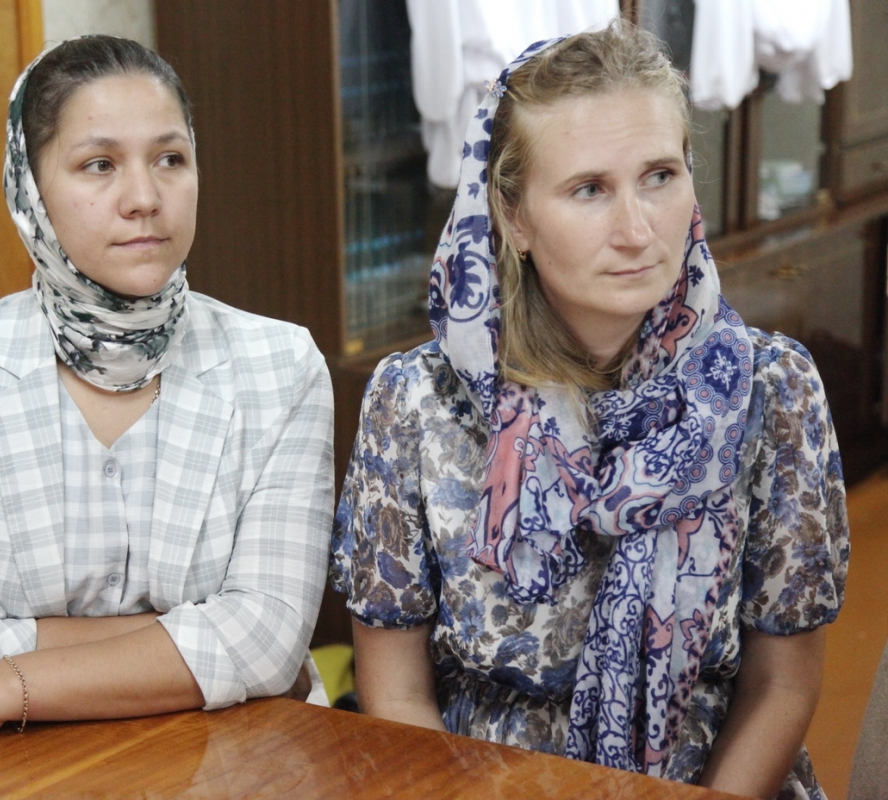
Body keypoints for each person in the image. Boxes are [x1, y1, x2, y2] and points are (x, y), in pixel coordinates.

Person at [330, 20, 848, 798]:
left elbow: (782, 686)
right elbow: (397, 692)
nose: (637, 230)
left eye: (660, 176)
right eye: (589, 189)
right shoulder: (416, 401)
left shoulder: (771, 388)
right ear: (514, 218)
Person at [0, 35, 334, 772]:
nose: (144, 197)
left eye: (170, 158)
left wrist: (4, 683)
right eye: (99, 164)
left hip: (244, 769)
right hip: (19, 775)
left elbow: (267, 640)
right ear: (30, 189)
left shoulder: (280, 366)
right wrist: (195, 638)